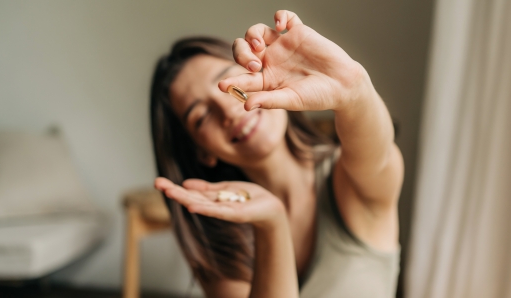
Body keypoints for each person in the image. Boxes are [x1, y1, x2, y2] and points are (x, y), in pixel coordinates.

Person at [151, 10, 403, 298]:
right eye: (201, 116)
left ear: (259, 72)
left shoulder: (349, 178)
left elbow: (381, 156)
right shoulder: (220, 234)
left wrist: (352, 86)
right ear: (202, 152)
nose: (227, 111)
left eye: (229, 85)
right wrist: (272, 224)